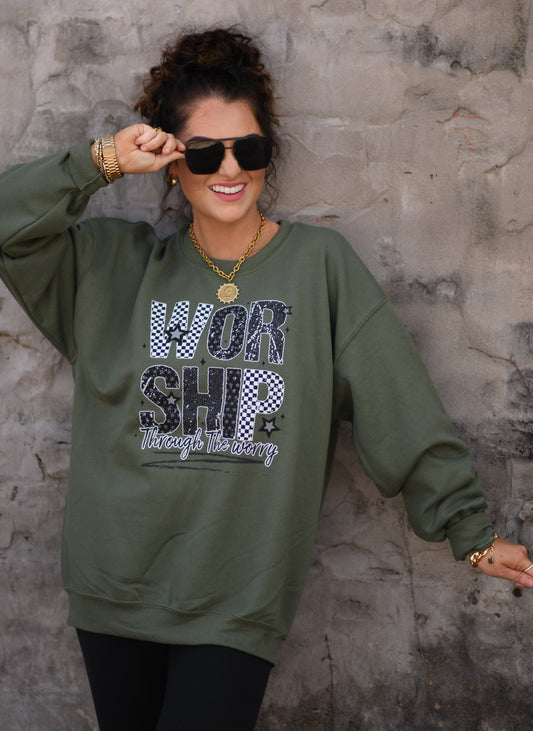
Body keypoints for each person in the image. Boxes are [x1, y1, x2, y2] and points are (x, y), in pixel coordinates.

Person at [0, 25, 532, 731]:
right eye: (204, 151)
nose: (230, 168)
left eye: (248, 149)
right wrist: (102, 161)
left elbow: (394, 398)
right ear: (172, 162)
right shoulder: (111, 269)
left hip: (236, 597)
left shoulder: (318, 267)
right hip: (114, 585)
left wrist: (469, 529)